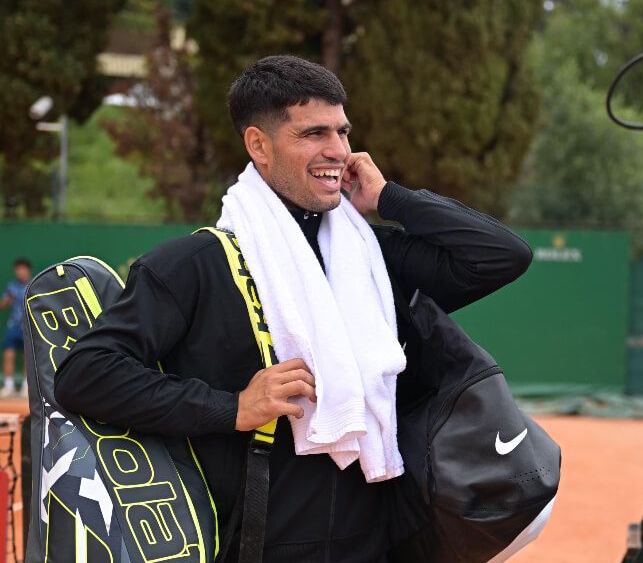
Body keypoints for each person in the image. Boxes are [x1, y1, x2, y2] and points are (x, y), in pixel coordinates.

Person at [55, 55, 532, 561]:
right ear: (258, 145)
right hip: (248, 545)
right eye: (314, 134)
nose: (339, 151)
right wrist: (232, 407)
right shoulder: (194, 265)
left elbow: (501, 256)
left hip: (374, 542)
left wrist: (391, 198)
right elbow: (86, 375)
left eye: (343, 132)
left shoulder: (372, 260)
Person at [0, 258, 31, 398]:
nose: (20, 272)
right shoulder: (11, 286)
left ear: (28, 270)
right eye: (18, 269)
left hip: (28, 327)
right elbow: (2, 305)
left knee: (27, 357)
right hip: (13, 327)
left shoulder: (33, 285)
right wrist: (6, 300)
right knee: (8, 356)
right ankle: (8, 386)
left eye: (23, 269)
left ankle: (26, 386)